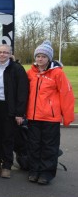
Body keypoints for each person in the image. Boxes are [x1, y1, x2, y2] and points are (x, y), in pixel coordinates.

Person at [26, 40, 74, 185]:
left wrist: (67, 117)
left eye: (43, 56)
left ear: (49, 58)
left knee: (49, 147)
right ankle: (34, 171)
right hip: (33, 117)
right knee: (33, 146)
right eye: (38, 56)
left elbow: (66, 94)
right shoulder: (31, 73)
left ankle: (46, 174)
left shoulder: (57, 74)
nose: (40, 59)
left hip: (50, 118)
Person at [0, 44, 28, 179]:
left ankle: (7, 165)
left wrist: (20, 113)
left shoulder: (17, 69)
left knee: (8, 136)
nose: (2, 54)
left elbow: (22, 92)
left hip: (10, 107)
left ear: (10, 53)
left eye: (5, 52)